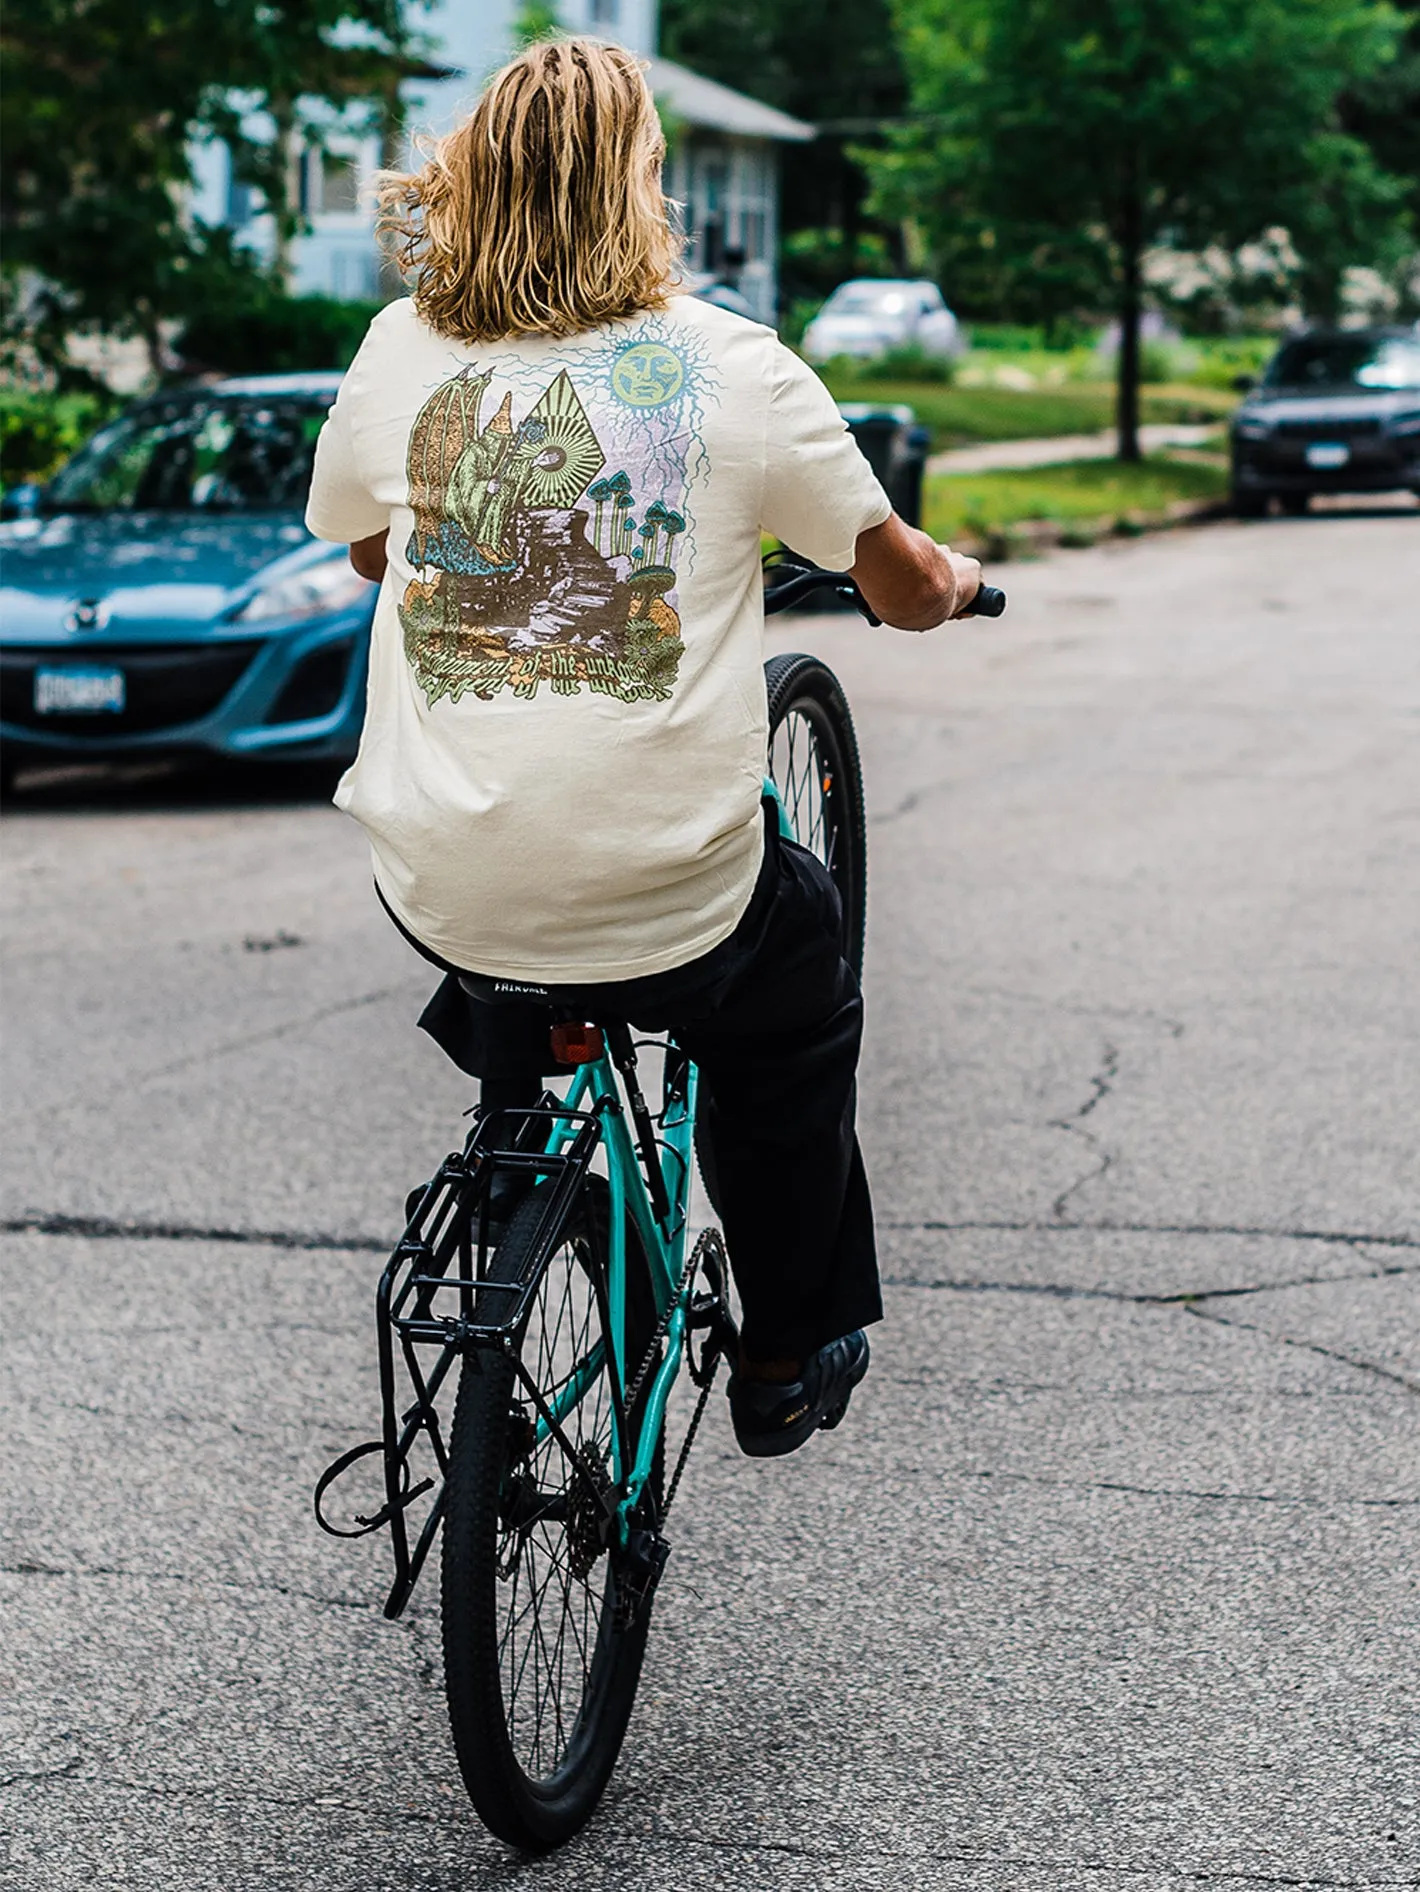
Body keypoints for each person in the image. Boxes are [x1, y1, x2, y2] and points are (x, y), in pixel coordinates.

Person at [304, 37, 981, 1458]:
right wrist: (959, 582)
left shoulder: (402, 346)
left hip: (437, 878)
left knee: (502, 897)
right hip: (672, 898)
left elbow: (367, 546)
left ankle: (512, 1133)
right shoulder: (736, 365)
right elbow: (904, 587)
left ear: (471, 179)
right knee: (790, 995)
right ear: (643, 187)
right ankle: (788, 1351)